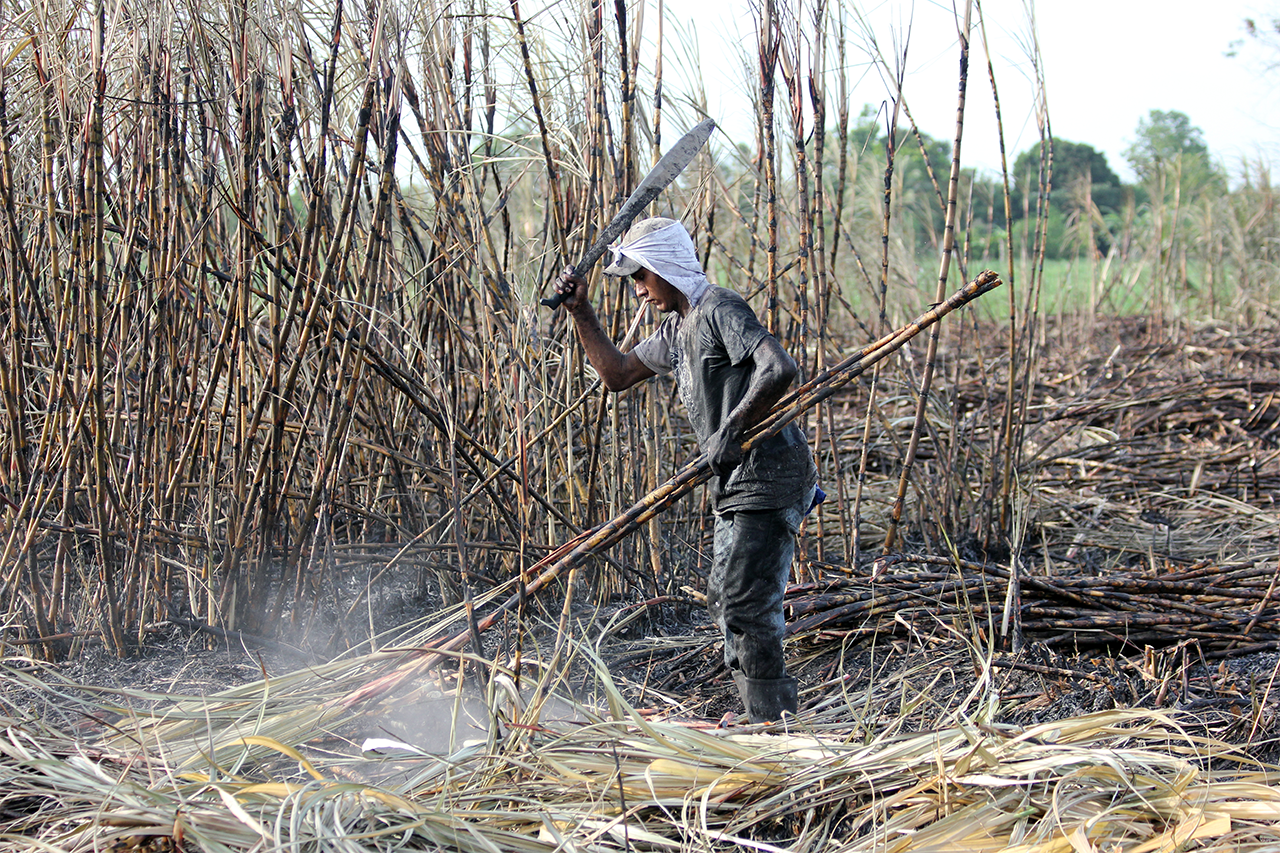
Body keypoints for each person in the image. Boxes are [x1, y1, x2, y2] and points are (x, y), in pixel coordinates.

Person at [553, 217, 817, 723]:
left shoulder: (718, 308)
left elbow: (779, 367)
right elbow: (617, 374)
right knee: (726, 602)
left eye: (641, 277)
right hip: (735, 484)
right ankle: (756, 710)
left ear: (666, 268)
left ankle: (773, 724)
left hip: (771, 476)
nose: (638, 291)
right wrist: (580, 311)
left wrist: (733, 427)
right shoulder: (677, 330)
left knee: (744, 603)